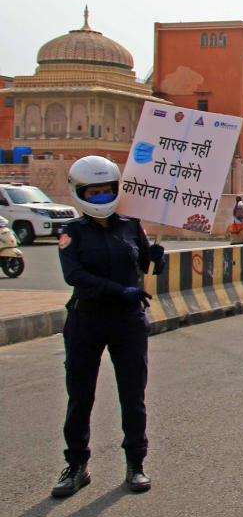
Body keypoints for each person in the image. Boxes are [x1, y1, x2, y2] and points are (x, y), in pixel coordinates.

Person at [52, 155, 165, 497]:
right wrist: (121, 290)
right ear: (79, 193)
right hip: (87, 319)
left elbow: (146, 264)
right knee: (80, 395)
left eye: (107, 191)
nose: (101, 197)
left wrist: (156, 258)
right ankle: (76, 465)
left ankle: (136, 463)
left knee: (133, 395)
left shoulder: (131, 225)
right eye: (94, 192)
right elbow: (75, 276)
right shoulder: (71, 232)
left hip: (127, 321)